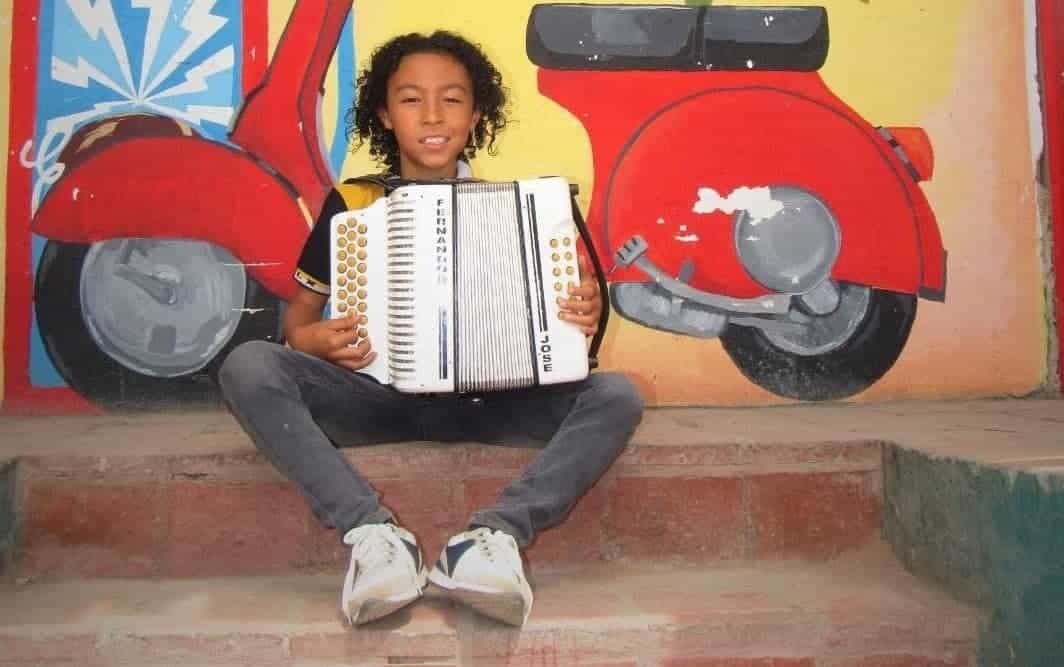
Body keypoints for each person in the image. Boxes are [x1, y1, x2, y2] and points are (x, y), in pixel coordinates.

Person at [218, 30, 644, 628]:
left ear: (476, 115)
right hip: (373, 398)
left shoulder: (522, 210)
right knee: (247, 366)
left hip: (491, 401)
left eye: (452, 98)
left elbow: (562, 324)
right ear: (385, 115)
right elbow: (297, 323)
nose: (434, 115)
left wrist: (580, 317)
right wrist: (313, 342)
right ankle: (373, 537)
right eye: (412, 99)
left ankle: (490, 541)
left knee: (617, 395)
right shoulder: (353, 202)